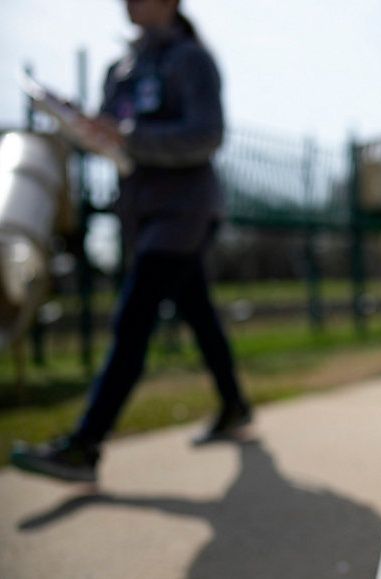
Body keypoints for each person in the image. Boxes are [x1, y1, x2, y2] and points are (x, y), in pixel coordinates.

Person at [11, 0, 251, 483]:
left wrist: (128, 134)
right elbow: (114, 144)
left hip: (184, 210)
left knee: (133, 318)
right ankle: (235, 404)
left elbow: (206, 136)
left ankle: (85, 445)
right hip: (141, 213)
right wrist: (84, 126)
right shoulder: (119, 69)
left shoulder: (191, 59)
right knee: (198, 312)